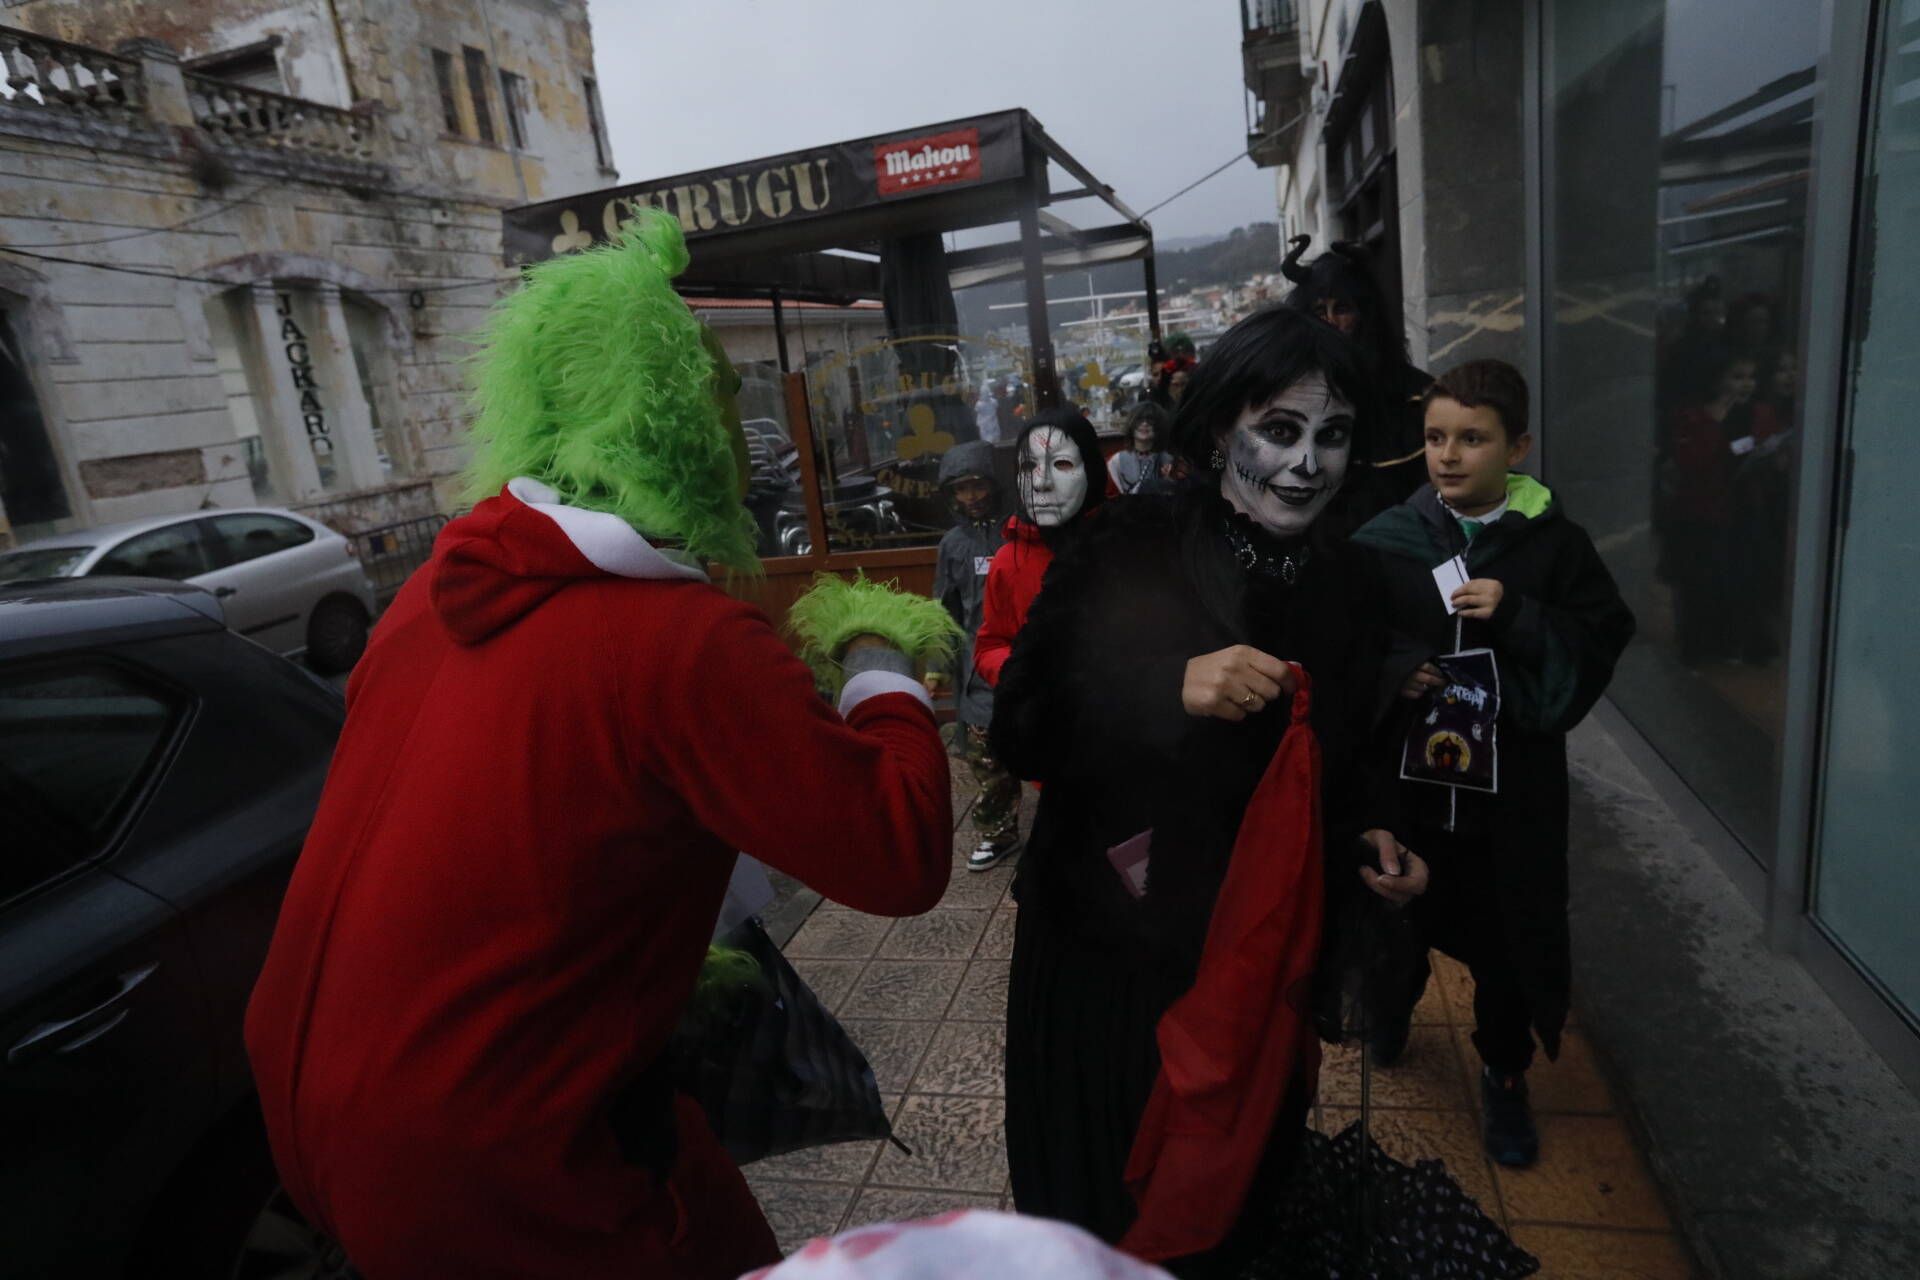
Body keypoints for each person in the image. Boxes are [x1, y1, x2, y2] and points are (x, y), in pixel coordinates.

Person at [243, 211, 957, 1280]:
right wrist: (877, 657)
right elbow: (898, 852)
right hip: (498, 1165)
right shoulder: (681, 639)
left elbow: (526, 813)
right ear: (681, 420)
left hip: (321, 1126)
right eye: (724, 396)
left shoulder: (429, 596)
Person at [989, 307, 1426, 1271]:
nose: (1308, 463)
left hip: (1257, 968)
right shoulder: (1129, 543)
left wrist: (1370, 840)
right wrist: (1164, 686)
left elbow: (1344, 760)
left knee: (1234, 1211)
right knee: (1110, 1218)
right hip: (1111, 961)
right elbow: (1017, 720)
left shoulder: (1350, 583)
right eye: (1281, 431)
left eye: (1333, 435)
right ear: (1224, 426)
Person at [1353, 358, 1634, 1168]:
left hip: (1512, 800)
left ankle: (1504, 1073)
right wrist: (1392, 671)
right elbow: (1348, 641)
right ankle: (1391, 1007)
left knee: (1508, 941)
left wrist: (1518, 613)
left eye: (1473, 439)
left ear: (1518, 446)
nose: (1448, 455)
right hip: (1413, 789)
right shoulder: (1388, 540)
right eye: (1436, 436)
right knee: (1396, 914)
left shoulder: (1555, 545)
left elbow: (1600, 633)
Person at [1279, 236, 1432, 507]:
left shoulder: (1417, 396)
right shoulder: (1285, 391)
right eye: (1319, 310)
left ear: (1364, 314)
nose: (1330, 321)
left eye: (1342, 308)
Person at [931, 441, 1023, 872]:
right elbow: (944, 611)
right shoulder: (952, 545)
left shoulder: (1019, 528)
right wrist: (935, 665)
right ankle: (997, 832)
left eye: (977, 485)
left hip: (1026, 659)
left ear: (993, 484)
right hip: (976, 667)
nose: (971, 497)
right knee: (986, 757)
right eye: (961, 489)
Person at [972, 408, 1108, 690]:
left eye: (1062, 464)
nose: (1041, 482)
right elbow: (991, 644)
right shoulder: (1008, 562)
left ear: (1092, 469)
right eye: (1027, 467)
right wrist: (1022, 675)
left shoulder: (1126, 548)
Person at [1665, 345, 1781, 664]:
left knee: (1743, 576)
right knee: (1704, 579)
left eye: (1751, 377)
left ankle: (1744, 643)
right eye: (1737, 376)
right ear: (1718, 379)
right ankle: (1706, 645)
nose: (1746, 384)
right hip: (1703, 512)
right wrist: (1714, 422)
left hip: (1745, 507)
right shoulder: (1693, 416)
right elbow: (1691, 462)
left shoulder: (1759, 413)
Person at [1108, 402, 1175, 496]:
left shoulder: (1168, 460)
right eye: (1139, 420)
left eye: (1150, 420)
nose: (1144, 423)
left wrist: (1169, 481)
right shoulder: (1116, 461)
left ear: (1159, 426)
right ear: (1131, 423)